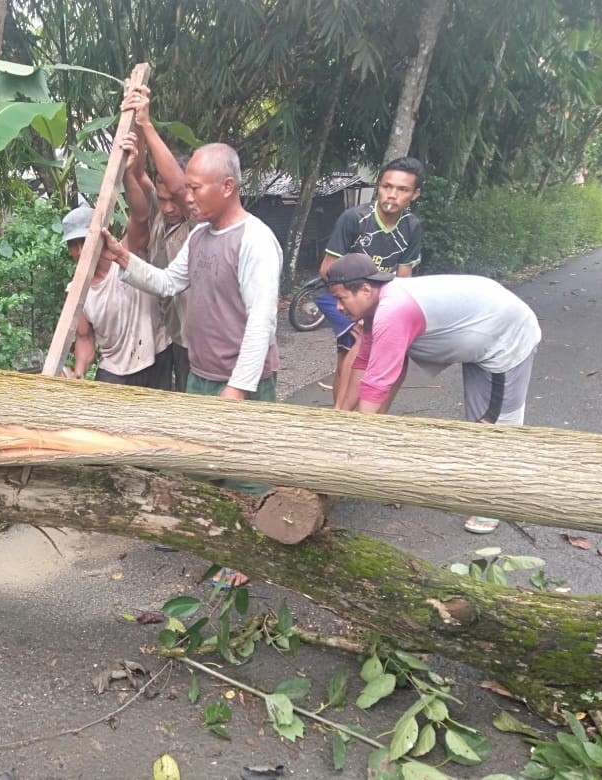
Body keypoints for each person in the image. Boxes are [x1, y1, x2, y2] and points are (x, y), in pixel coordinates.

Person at [102, 142, 283, 584]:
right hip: (203, 374)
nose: (188, 196)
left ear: (228, 186)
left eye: (196, 188)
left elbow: (262, 320)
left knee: (246, 471)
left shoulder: (255, 240)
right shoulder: (200, 236)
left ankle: (247, 558)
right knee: (202, 464)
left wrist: (237, 389)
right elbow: (166, 283)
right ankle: (210, 538)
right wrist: (122, 257)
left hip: (244, 383)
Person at [325, 253, 541, 534]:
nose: (338, 307)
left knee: (497, 426)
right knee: (478, 422)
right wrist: (339, 416)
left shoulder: (393, 311)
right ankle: (484, 483)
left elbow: (378, 383)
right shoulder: (375, 306)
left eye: (342, 299)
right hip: (479, 336)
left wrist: (361, 434)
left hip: (506, 337)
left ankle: (496, 502)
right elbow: (363, 364)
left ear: (365, 289)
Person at [316, 157, 425, 408]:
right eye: (387, 186)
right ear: (379, 187)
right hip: (339, 294)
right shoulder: (354, 219)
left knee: (394, 351)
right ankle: (339, 416)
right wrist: (361, 311)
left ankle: (375, 417)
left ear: (415, 194)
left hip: (380, 302)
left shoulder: (412, 227)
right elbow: (327, 269)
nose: (392, 195)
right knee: (355, 345)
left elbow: (404, 277)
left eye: (402, 190)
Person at [121, 85, 193, 391]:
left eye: (173, 200)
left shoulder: (198, 220)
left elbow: (178, 188)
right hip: (170, 334)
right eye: (162, 200)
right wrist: (133, 136)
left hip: (196, 338)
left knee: (198, 405)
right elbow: (139, 179)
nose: (168, 207)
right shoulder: (160, 216)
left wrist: (147, 123)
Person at [63, 194, 173, 387]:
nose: (80, 251)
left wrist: (132, 172)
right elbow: (84, 338)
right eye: (73, 245)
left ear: (100, 237)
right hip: (115, 370)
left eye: (84, 241)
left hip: (156, 356)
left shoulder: (125, 255)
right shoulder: (76, 292)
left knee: (158, 416)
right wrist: (78, 374)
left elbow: (140, 216)